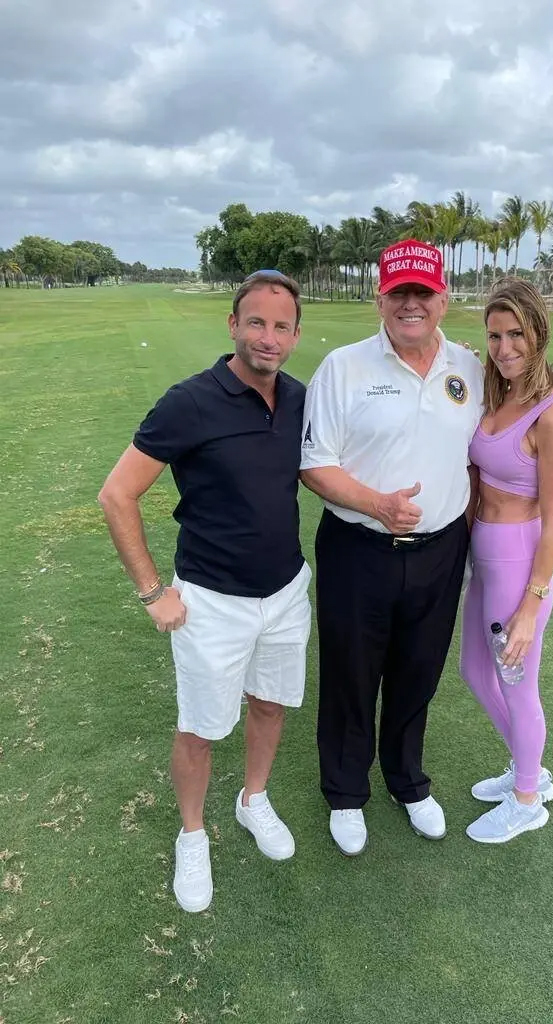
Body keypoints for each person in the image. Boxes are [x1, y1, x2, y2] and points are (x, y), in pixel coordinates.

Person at [98, 270, 311, 912]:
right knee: (200, 728)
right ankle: (193, 835)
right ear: (233, 325)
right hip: (212, 601)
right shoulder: (189, 401)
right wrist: (151, 591)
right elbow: (117, 493)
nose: (267, 338)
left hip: (286, 590)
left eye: (281, 326)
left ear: (296, 335)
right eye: (256, 322)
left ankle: (253, 800)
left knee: (269, 704)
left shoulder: (298, 397)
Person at [300, 240, 484, 855]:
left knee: (418, 669)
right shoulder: (344, 367)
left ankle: (407, 780)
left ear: (443, 298)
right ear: (380, 298)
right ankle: (347, 792)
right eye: (399, 293)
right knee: (352, 671)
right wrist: (377, 503)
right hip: (360, 547)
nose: (412, 304)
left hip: (440, 549)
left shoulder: (469, 367)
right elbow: (315, 465)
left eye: (423, 293)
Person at [460, 277, 553, 844]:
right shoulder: (498, 396)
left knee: (516, 684)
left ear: (538, 335)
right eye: (495, 336)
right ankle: (527, 768)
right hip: (483, 557)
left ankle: (528, 797)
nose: (504, 348)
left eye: (516, 335)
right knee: (473, 672)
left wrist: (532, 606)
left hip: (518, 563)